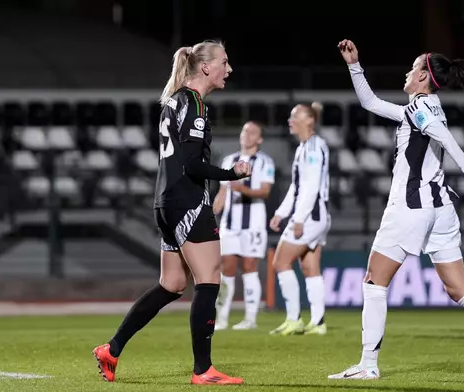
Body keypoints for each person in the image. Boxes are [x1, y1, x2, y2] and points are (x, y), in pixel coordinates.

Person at [328, 39, 464, 381]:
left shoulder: (420, 108)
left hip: (412, 205)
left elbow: (446, 139)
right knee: (459, 288)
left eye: (413, 68)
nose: (407, 73)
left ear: (423, 77)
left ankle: (367, 364)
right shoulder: (423, 107)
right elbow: (370, 102)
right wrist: (354, 65)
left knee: (374, 281)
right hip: (441, 208)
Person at [93, 40, 249, 385]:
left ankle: (112, 349)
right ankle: (203, 370)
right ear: (206, 67)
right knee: (209, 280)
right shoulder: (193, 103)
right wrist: (231, 174)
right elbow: (193, 165)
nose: (229, 68)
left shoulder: (175, 101)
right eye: (225, 61)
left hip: (165, 202)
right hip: (187, 201)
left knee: (172, 284)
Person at [268, 102, 331, 336]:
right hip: (316, 215)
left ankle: (294, 318)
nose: (290, 120)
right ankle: (318, 322)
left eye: (295, 116)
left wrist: (299, 219)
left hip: (312, 216)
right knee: (309, 267)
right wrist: (281, 213)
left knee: (281, 262)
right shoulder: (305, 147)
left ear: (309, 120)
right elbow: (297, 186)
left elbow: (311, 187)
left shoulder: (314, 147)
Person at [213, 121, 275, 330]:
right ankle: (221, 318)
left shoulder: (264, 162)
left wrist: (241, 188)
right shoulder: (229, 160)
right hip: (229, 225)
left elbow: (265, 192)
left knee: (249, 268)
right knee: (225, 270)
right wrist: (213, 210)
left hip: (253, 225)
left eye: (252, 132)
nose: (247, 134)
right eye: (244, 130)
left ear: (260, 139)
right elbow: (222, 192)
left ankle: (250, 319)